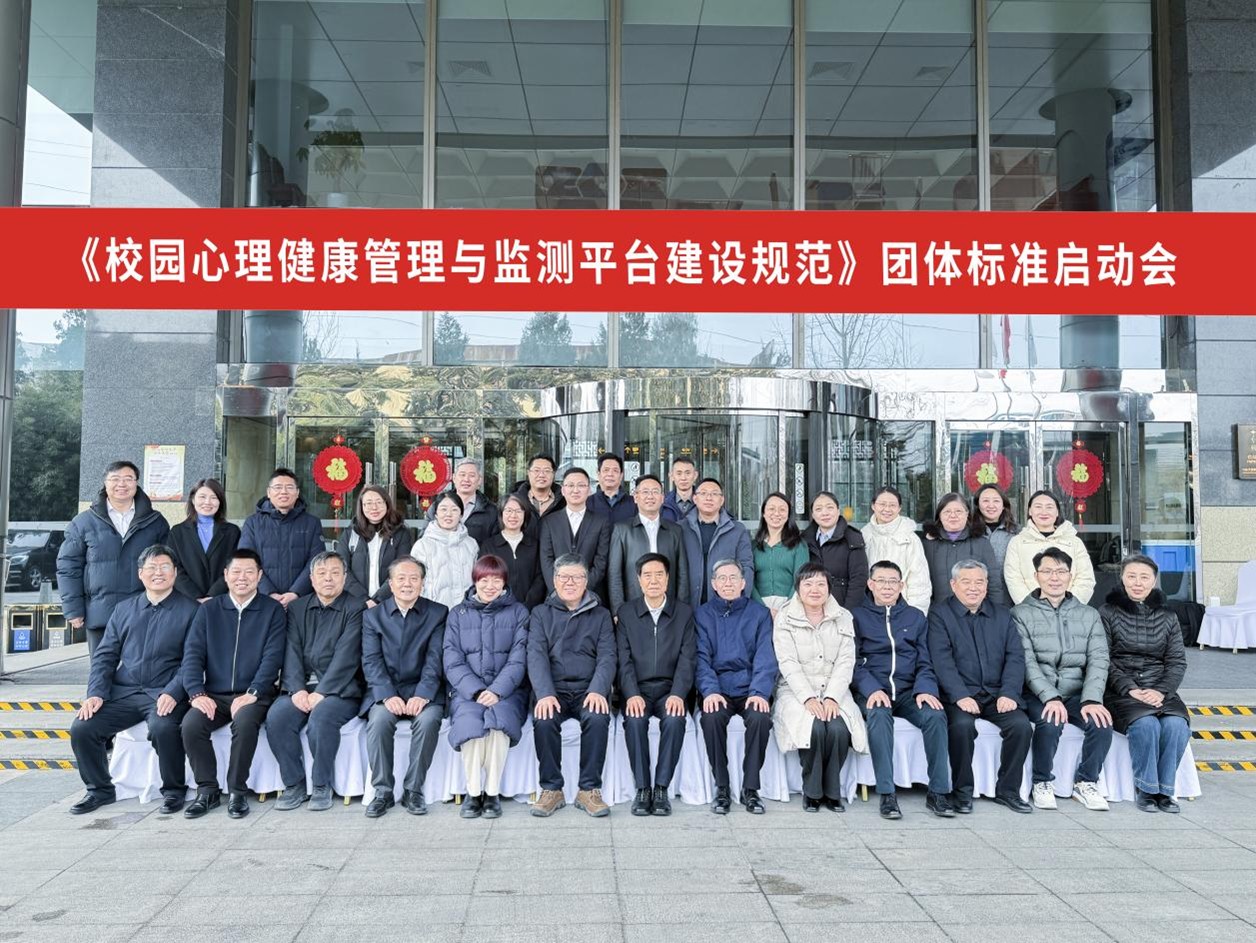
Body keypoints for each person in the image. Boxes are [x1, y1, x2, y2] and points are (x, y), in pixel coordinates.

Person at [69, 544, 199, 815]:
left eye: (164, 567)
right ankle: (99, 790)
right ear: (141, 574)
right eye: (152, 567)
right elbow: (105, 656)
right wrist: (95, 693)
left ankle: (174, 791)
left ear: (175, 572)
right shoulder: (124, 609)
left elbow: (193, 660)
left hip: (164, 692)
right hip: (124, 692)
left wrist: (174, 692)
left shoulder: (191, 611)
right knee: (83, 727)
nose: (158, 573)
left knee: (163, 728)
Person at [179, 548, 287, 819]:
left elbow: (273, 657)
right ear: (226, 575)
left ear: (259, 576)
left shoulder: (272, 610)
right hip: (214, 694)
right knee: (191, 725)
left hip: (255, 694)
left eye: (249, 572)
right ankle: (207, 790)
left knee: (245, 723)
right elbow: (192, 654)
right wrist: (196, 693)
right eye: (236, 572)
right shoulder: (209, 610)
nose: (242, 577)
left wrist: (253, 692)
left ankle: (237, 791)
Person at [927, 559, 1033, 814]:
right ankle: (962, 792)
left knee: (1020, 726)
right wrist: (960, 695)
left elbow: (1015, 657)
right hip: (960, 695)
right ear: (953, 585)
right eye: (966, 582)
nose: (973, 588)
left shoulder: (1002, 614)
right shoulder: (940, 615)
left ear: (986, 585)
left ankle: (1008, 791)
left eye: (979, 582)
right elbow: (941, 660)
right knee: (961, 727)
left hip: (997, 694)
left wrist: (1009, 692)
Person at [1012, 547, 1112, 812]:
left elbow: (1099, 659)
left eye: (1060, 571)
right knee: (1050, 721)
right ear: (1036, 576)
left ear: (1070, 575)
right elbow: (1027, 662)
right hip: (1037, 692)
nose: (1054, 578)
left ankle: (1086, 782)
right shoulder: (1020, 613)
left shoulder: (1089, 615)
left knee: (1101, 723)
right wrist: (1050, 697)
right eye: (1047, 571)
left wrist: (1092, 699)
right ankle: (1042, 781)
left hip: (1077, 692)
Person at [852, 560, 953, 820]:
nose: (887, 587)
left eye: (893, 582)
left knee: (935, 715)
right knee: (879, 714)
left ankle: (938, 792)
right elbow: (853, 661)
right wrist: (872, 689)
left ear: (901, 585)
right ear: (870, 584)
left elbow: (925, 660)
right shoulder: (856, 617)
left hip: (909, 691)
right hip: (874, 690)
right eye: (881, 581)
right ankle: (887, 794)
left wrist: (925, 689)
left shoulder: (915, 617)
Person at [268, 551, 365, 812]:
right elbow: (291, 650)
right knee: (277, 717)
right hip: (301, 686)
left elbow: (347, 655)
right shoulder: (297, 608)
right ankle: (294, 784)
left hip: (340, 689)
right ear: (311, 579)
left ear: (344, 577)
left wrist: (322, 692)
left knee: (321, 719)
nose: (328, 578)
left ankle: (322, 784)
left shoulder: (355, 608)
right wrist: (297, 689)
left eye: (335, 573)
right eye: (322, 573)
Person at [772, 563, 866, 813]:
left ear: (829, 589)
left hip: (834, 689)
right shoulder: (785, 617)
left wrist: (833, 697)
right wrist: (808, 698)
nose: (815, 589)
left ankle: (833, 791)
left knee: (838, 728)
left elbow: (846, 661)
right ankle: (812, 792)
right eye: (808, 584)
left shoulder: (843, 616)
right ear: (798, 588)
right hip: (796, 690)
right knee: (813, 727)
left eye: (820, 584)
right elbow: (787, 662)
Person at [1099, 554, 1190, 813]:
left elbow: (1177, 661)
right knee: (1146, 724)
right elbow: (1102, 659)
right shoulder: (1106, 612)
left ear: (1154, 580)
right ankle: (1147, 789)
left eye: (1144, 577)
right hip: (1121, 690)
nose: (1137, 583)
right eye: (1131, 576)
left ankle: (1166, 791)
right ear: (1122, 579)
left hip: (1159, 688)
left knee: (1176, 725)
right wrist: (1130, 688)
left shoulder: (1168, 615)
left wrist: (1161, 690)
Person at [527, 554, 615, 818]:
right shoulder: (540, 613)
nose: (570, 582)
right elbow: (536, 655)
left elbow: (608, 656)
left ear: (586, 581)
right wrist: (544, 694)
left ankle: (589, 789)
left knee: (597, 717)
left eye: (577, 577)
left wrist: (598, 689)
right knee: (544, 719)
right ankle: (551, 789)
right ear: (554, 580)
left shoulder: (601, 615)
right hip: (554, 690)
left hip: (588, 689)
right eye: (564, 577)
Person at [443, 555, 530, 819]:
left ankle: (491, 793)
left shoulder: (519, 612)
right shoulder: (457, 614)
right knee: (470, 726)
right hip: (468, 692)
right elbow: (452, 659)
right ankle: (473, 792)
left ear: (504, 583)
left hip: (508, 691)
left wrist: (497, 691)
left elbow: (519, 658)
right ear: (475, 581)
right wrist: (477, 691)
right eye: (484, 580)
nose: (490, 586)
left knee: (498, 725)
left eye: (496, 580)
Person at [361, 557, 447, 818]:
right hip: (386, 690)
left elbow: (435, 659)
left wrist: (423, 693)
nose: (407, 584)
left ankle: (413, 790)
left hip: (424, 689)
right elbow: (371, 660)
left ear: (422, 583)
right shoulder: (373, 616)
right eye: (401, 578)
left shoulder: (438, 613)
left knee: (429, 721)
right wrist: (387, 695)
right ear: (390, 583)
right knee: (378, 722)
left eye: (413, 578)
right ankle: (383, 791)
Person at [57, 460, 171, 655]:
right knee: (102, 669)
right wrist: (73, 609)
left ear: (136, 483)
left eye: (128, 479)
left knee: (141, 669)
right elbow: (68, 567)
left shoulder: (155, 522)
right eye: (115, 479)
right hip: (100, 614)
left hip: (144, 612)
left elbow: (168, 566)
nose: (121, 484)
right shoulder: (83, 522)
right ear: (105, 483)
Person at [616, 552, 696, 817]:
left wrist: (678, 694)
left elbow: (687, 659)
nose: (653, 581)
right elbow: (623, 659)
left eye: (659, 575)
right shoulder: (626, 613)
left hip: (669, 690)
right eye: (647, 575)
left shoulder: (683, 613)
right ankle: (642, 788)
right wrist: (631, 694)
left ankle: (661, 788)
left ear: (668, 579)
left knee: (674, 719)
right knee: (635, 720)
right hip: (637, 689)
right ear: (638, 580)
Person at [695, 559, 778, 815]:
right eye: (722, 578)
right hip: (718, 687)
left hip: (749, 686)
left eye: (733, 578)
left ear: (743, 583)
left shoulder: (759, 614)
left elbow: (766, 656)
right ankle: (722, 787)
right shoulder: (702, 614)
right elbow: (700, 658)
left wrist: (759, 692)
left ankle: (750, 789)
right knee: (711, 717)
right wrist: (710, 690)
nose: (728, 583)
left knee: (760, 718)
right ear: (713, 584)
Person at [238, 467, 324, 609]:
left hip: (301, 602)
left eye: (289, 487)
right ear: (269, 492)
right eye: (278, 487)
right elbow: (246, 560)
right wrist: (268, 592)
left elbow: (316, 560)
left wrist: (296, 592)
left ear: (297, 493)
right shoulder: (253, 523)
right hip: (261, 600)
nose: (283, 492)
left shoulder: (312, 523)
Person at [607, 474, 689, 614]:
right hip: (633, 604)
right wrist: (617, 610)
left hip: (668, 606)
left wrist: (682, 609)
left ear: (662, 498)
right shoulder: (622, 530)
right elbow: (614, 574)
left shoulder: (675, 530)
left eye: (655, 492)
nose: (650, 496)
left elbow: (682, 573)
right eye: (645, 492)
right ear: (636, 497)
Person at [1004, 490, 1096, 604]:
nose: (1044, 512)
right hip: (1031, 610)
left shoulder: (1074, 542)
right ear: (1030, 511)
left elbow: (1085, 578)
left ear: (1057, 512)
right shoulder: (1017, 542)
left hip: (1070, 610)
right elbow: (1013, 579)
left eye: (1049, 507)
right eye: (1038, 507)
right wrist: (1030, 607)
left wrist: (1069, 606)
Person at [920, 492, 1006, 607]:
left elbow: (994, 583)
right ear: (939, 515)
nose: (953, 516)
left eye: (958, 511)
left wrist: (997, 611)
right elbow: (920, 584)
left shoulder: (981, 543)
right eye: (947, 512)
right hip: (937, 613)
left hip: (975, 612)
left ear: (967, 514)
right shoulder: (927, 544)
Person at [539, 467, 611, 598]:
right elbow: (546, 560)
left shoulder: (601, 522)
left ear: (589, 490)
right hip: (556, 596)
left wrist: (582, 589)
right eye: (570, 485)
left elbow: (601, 561)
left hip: (590, 595)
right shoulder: (549, 521)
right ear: (563, 490)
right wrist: (558, 590)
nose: (576, 490)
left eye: (581, 485)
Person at [680, 477, 754, 606]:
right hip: (686, 605)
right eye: (703, 493)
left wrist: (739, 602)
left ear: (722, 500)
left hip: (725, 605)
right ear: (695, 499)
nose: (709, 498)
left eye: (714, 494)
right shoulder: (680, 528)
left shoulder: (737, 530)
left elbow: (746, 567)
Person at [336, 485, 413, 607]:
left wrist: (378, 599)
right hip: (355, 603)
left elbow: (401, 569)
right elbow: (341, 569)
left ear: (387, 504)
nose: (374, 507)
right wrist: (364, 599)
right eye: (368, 503)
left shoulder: (400, 533)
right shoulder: (350, 533)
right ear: (361, 506)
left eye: (379, 502)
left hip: (391, 603)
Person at [167, 478, 240, 603]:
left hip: (221, 599)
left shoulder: (232, 532)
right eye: (202, 497)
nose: (207, 502)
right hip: (187, 600)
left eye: (214, 497)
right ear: (193, 499)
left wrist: (213, 595)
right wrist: (196, 596)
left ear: (220, 502)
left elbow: (234, 565)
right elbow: (174, 567)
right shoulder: (177, 532)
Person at [862, 487, 930, 614]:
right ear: (873, 506)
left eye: (892, 505)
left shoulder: (910, 538)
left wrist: (915, 614)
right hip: (870, 609)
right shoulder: (864, 536)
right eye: (882, 504)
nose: (887, 509)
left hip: (903, 609)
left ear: (899, 508)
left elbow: (920, 581)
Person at [800, 491, 867, 610]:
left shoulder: (852, 538)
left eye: (830, 508)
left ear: (838, 511)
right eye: (818, 509)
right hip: (811, 607)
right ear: (813, 515)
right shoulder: (804, 540)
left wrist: (848, 612)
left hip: (841, 606)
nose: (825, 513)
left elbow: (858, 580)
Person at [412, 492, 480, 609]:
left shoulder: (471, 544)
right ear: (436, 514)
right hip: (433, 612)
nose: (448, 514)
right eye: (443, 509)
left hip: (467, 611)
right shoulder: (422, 546)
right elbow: (415, 582)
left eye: (454, 510)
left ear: (461, 515)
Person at [478, 493, 546, 608]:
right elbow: (483, 578)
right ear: (501, 514)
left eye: (518, 511)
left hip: (530, 609)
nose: (513, 515)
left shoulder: (535, 545)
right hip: (497, 609)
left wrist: (527, 605)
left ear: (525, 514)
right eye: (508, 511)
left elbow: (540, 578)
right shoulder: (489, 546)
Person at [751, 492, 810, 620]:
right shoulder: (753, 546)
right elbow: (749, 580)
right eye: (771, 509)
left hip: (791, 607)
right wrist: (763, 609)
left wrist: (785, 609)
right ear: (763, 513)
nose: (777, 513)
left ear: (788, 515)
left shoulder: (799, 545)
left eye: (782, 509)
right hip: (757, 608)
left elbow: (802, 580)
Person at [424, 458, 500, 545]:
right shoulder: (438, 506)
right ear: (454, 478)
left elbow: (494, 546)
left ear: (479, 480)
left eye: (472, 475)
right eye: (462, 475)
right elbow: (425, 538)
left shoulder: (491, 511)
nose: (466, 479)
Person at [970, 484, 1018, 601]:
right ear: (978, 505)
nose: (991, 505)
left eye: (996, 501)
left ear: (1003, 505)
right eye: (985, 501)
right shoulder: (968, 531)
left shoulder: (1017, 532)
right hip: (974, 595)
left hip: (1009, 596)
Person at [514, 453, 564, 537]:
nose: (541, 475)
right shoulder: (514, 501)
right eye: (536, 470)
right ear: (528, 473)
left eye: (547, 471)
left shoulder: (564, 502)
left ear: (553, 474)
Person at [588, 452, 638, 524]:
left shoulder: (634, 504)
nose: (610, 474)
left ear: (621, 476)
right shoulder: (587, 503)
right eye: (606, 470)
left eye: (615, 471)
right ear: (598, 474)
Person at [661, 455, 698, 523]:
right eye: (679, 473)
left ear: (695, 475)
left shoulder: (704, 501)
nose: (683, 478)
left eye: (688, 473)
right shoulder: (663, 502)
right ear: (671, 476)